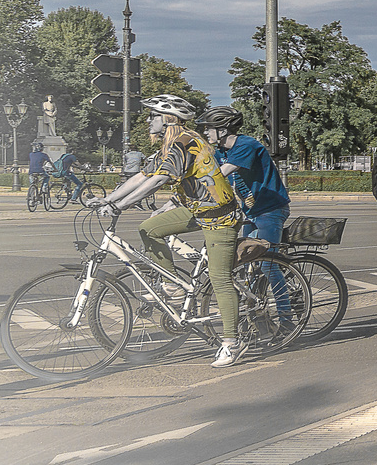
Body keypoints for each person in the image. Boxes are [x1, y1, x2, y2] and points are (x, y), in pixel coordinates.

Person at [96, 95, 246, 367]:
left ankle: (231, 343)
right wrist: (110, 200)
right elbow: (143, 175)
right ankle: (173, 285)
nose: (147, 120)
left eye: (152, 115)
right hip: (197, 209)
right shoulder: (168, 145)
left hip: (219, 215)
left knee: (220, 277)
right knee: (149, 228)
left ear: (168, 119)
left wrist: (122, 205)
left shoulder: (185, 141)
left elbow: (162, 179)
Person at [203, 107, 291, 247]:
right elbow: (204, 170)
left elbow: (220, 173)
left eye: (209, 128)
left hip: (270, 210)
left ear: (223, 131)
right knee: (246, 261)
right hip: (251, 211)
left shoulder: (246, 145)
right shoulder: (220, 151)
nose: (205, 132)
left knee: (267, 265)